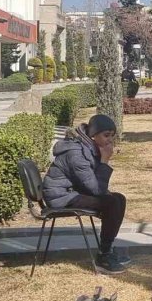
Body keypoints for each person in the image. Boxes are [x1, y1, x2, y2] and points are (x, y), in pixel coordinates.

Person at [42, 114, 128, 274]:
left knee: (118, 199)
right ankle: (104, 257)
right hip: (60, 197)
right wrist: (104, 161)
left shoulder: (87, 147)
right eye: (106, 135)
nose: (110, 140)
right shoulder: (76, 153)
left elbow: (93, 185)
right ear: (93, 135)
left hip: (71, 191)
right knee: (112, 203)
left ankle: (107, 250)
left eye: (112, 136)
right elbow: (96, 189)